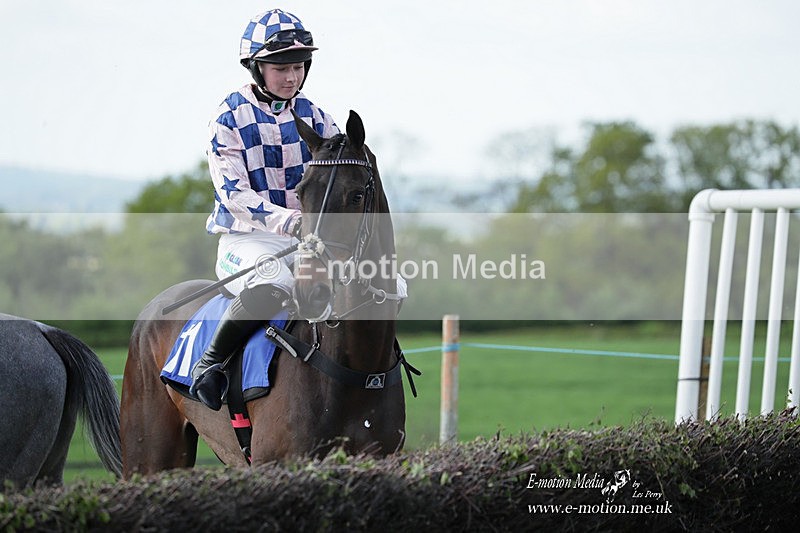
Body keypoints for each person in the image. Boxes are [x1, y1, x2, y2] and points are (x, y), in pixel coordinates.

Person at [189, 8, 339, 410]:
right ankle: (211, 365)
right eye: (281, 69)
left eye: (299, 67)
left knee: (384, 282)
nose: (292, 77)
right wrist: (291, 222)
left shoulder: (317, 117)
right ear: (256, 67)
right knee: (278, 286)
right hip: (247, 238)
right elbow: (233, 193)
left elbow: (342, 176)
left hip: (308, 240)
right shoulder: (227, 117)